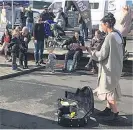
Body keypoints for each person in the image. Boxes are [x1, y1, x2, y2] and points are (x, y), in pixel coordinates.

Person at [88, 13, 123, 121]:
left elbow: (102, 55)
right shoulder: (118, 34)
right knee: (111, 88)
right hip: (116, 66)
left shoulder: (109, 37)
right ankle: (108, 109)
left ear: (107, 24)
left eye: (102, 24)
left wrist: (92, 52)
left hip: (109, 68)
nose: (101, 27)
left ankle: (115, 112)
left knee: (108, 90)